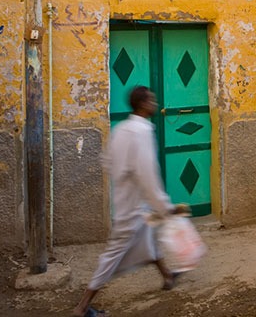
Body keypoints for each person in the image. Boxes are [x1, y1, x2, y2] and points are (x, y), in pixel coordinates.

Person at [73, 86, 189, 317]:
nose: (156, 104)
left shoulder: (122, 129)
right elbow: (147, 174)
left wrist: (125, 178)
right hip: (133, 207)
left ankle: (167, 276)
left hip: (128, 201)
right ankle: (82, 308)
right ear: (144, 104)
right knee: (113, 255)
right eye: (153, 100)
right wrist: (165, 206)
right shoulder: (141, 133)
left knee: (149, 236)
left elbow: (107, 161)